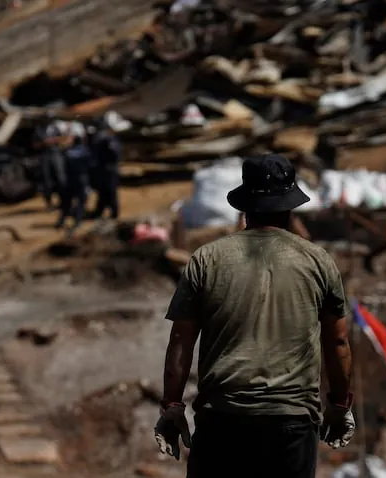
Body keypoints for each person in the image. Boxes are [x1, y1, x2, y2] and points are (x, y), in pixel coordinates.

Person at [154, 154, 356, 478]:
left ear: (244, 205)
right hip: (291, 424)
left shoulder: (207, 259)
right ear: (290, 207)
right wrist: (339, 404)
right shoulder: (318, 262)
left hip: (222, 421)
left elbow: (180, 340)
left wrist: (172, 406)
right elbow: (339, 341)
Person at [58, 131, 93, 230]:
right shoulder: (86, 152)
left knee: (66, 202)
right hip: (82, 179)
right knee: (81, 202)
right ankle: (77, 222)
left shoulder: (68, 152)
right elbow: (91, 165)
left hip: (69, 179)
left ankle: (61, 221)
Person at [88, 118, 122, 219]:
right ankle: (99, 211)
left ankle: (114, 212)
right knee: (102, 191)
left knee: (111, 192)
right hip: (101, 170)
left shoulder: (109, 140)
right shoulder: (99, 139)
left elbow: (115, 155)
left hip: (110, 170)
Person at [32, 118, 68, 211]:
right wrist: (43, 143)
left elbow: (63, 139)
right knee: (46, 180)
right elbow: (34, 145)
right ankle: (49, 203)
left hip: (56, 154)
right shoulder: (39, 130)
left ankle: (63, 202)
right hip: (44, 156)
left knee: (60, 178)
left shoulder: (55, 128)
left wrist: (53, 141)